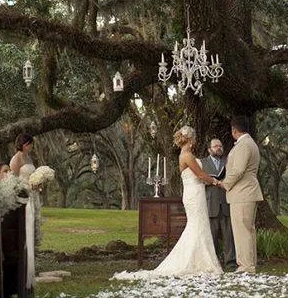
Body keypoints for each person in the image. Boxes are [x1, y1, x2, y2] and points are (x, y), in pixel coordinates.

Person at [112, 125, 223, 279]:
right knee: (197, 226)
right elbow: (200, 175)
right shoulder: (188, 156)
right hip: (194, 194)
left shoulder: (186, 154)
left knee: (198, 226)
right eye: (195, 138)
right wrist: (216, 182)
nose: (196, 141)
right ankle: (196, 262)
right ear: (190, 139)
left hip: (195, 193)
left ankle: (200, 260)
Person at [222, 116, 264, 274]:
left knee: (242, 230)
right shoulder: (250, 143)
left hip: (243, 193)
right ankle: (249, 264)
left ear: (234, 130)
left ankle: (246, 265)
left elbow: (238, 170)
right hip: (246, 192)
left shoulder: (244, 145)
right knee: (248, 230)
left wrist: (225, 184)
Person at [202, 138, 236, 270]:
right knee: (212, 236)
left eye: (220, 146)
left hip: (226, 202)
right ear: (209, 149)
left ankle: (231, 262)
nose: (219, 148)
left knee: (228, 236)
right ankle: (215, 263)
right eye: (215, 146)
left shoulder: (228, 161)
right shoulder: (203, 163)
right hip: (211, 204)